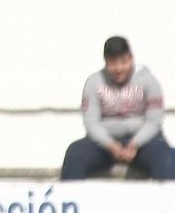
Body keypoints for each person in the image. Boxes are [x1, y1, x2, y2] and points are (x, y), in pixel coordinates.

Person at [61, 36, 171, 180]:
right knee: (75, 153)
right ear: (105, 62)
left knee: (167, 158)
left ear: (131, 58)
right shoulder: (94, 82)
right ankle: (71, 199)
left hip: (144, 141)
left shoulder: (149, 81)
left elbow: (154, 121)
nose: (119, 68)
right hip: (104, 143)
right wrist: (110, 144)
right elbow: (91, 122)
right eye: (113, 63)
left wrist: (135, 144)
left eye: (123, 62)